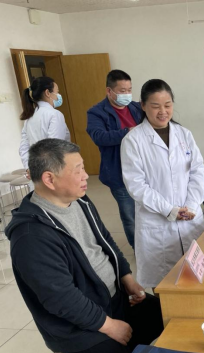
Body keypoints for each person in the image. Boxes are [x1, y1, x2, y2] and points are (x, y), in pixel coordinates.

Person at [5, 139, 164, 353]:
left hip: (113, 300)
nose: (85, 175)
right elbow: (61, 299)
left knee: (170, 317)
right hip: (79, 326)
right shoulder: (31, 236)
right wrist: (109, 326)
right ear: (49, 179)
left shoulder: (79, 201)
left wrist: (126, 277)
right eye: (77, 169)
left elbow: (105, 240)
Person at [121, 80, 204, 289]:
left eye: (167, 105)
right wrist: (169, 209)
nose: (163, 111)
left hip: (190, 218)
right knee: (163, 285)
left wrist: (192, 205)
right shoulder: (133, 140)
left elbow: (197, 172)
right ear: (143, 105)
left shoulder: (184, 134)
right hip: (157, 223)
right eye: (155, 106)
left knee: (196, 279)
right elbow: (136, 185)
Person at [87, 70, 142, 251]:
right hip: (119, 172)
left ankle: (152, 246)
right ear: (109, 91)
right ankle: (139, 250)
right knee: (130, 216)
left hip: (142, 169)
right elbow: (99, 137)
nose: (127, 94)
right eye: (122, 90)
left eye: (129, 89)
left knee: (148, 211)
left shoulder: (136, 107)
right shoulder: (97, 112)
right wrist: (127, 132)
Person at [19, 77, 71, 173]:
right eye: (57, 91)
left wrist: (28, 168)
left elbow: (23, 147)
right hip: (54, 169)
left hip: (37, 169)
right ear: (47, 93)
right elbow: (54, 145)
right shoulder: (54, 114)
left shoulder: (29, 117)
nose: (58, 96)